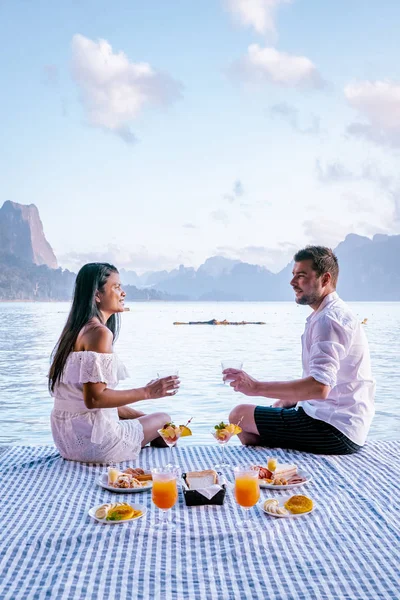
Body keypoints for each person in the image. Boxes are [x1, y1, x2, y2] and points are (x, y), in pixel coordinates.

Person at [225, 246, 375, 455]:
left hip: (333, 429)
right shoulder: (330, 313)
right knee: (277, 406)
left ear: (325, 279)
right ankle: (276, 460)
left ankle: (275, 464)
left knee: (238, 415)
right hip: (347, 426)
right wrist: (289, 400)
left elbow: (319, 388)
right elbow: (328, 382)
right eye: (293, 275)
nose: (293, 282)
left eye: (301, 276)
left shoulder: (328, 320)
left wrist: (255, 387)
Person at [49, 262, 178, 463]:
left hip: (67, 443)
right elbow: (95, 399)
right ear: (97, 295)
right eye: (116, 287)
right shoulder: (99, 333)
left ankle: (154, 431)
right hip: (97, 444)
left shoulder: (73, 332)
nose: (123, 293)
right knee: (165, 420)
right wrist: (148, 392)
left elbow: (94, 402)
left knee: (160, 426)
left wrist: (142, 418)